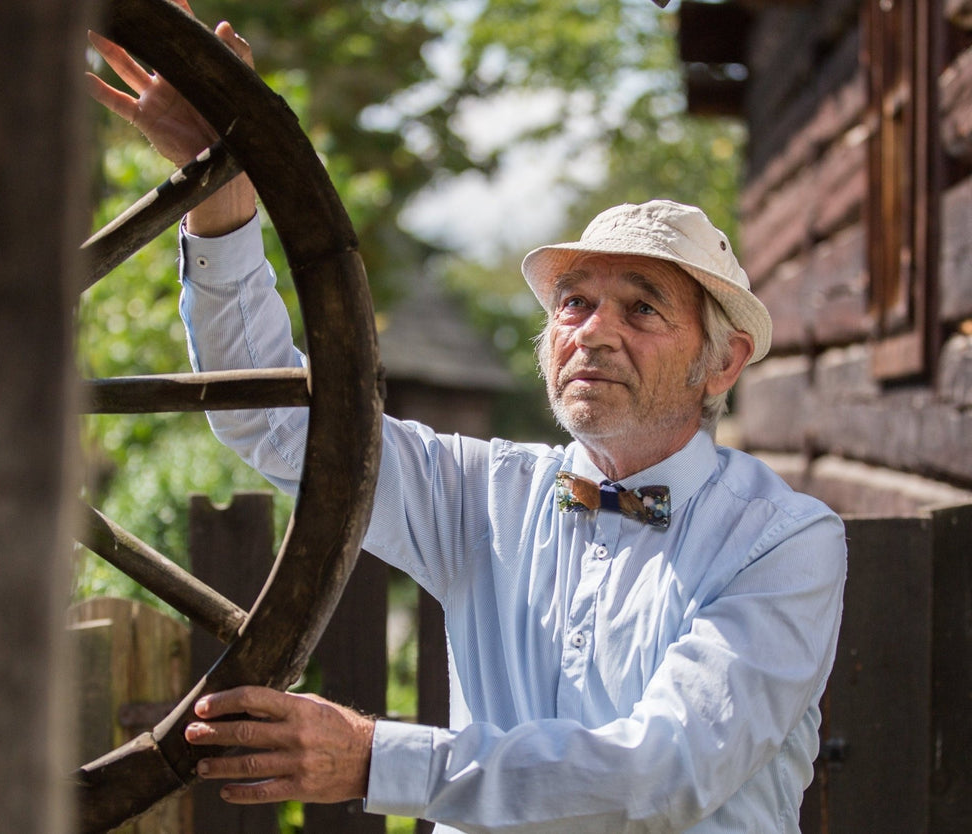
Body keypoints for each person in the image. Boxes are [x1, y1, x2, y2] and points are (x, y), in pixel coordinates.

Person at [89, 9, 846, 832]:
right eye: (575, 303)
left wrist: (377, 759)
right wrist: (222, 199)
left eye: (642, 308)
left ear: (724, 362)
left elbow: (661, 771)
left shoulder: (784, 541)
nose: (594, 330)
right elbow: (272, 422)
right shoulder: (485, 492)